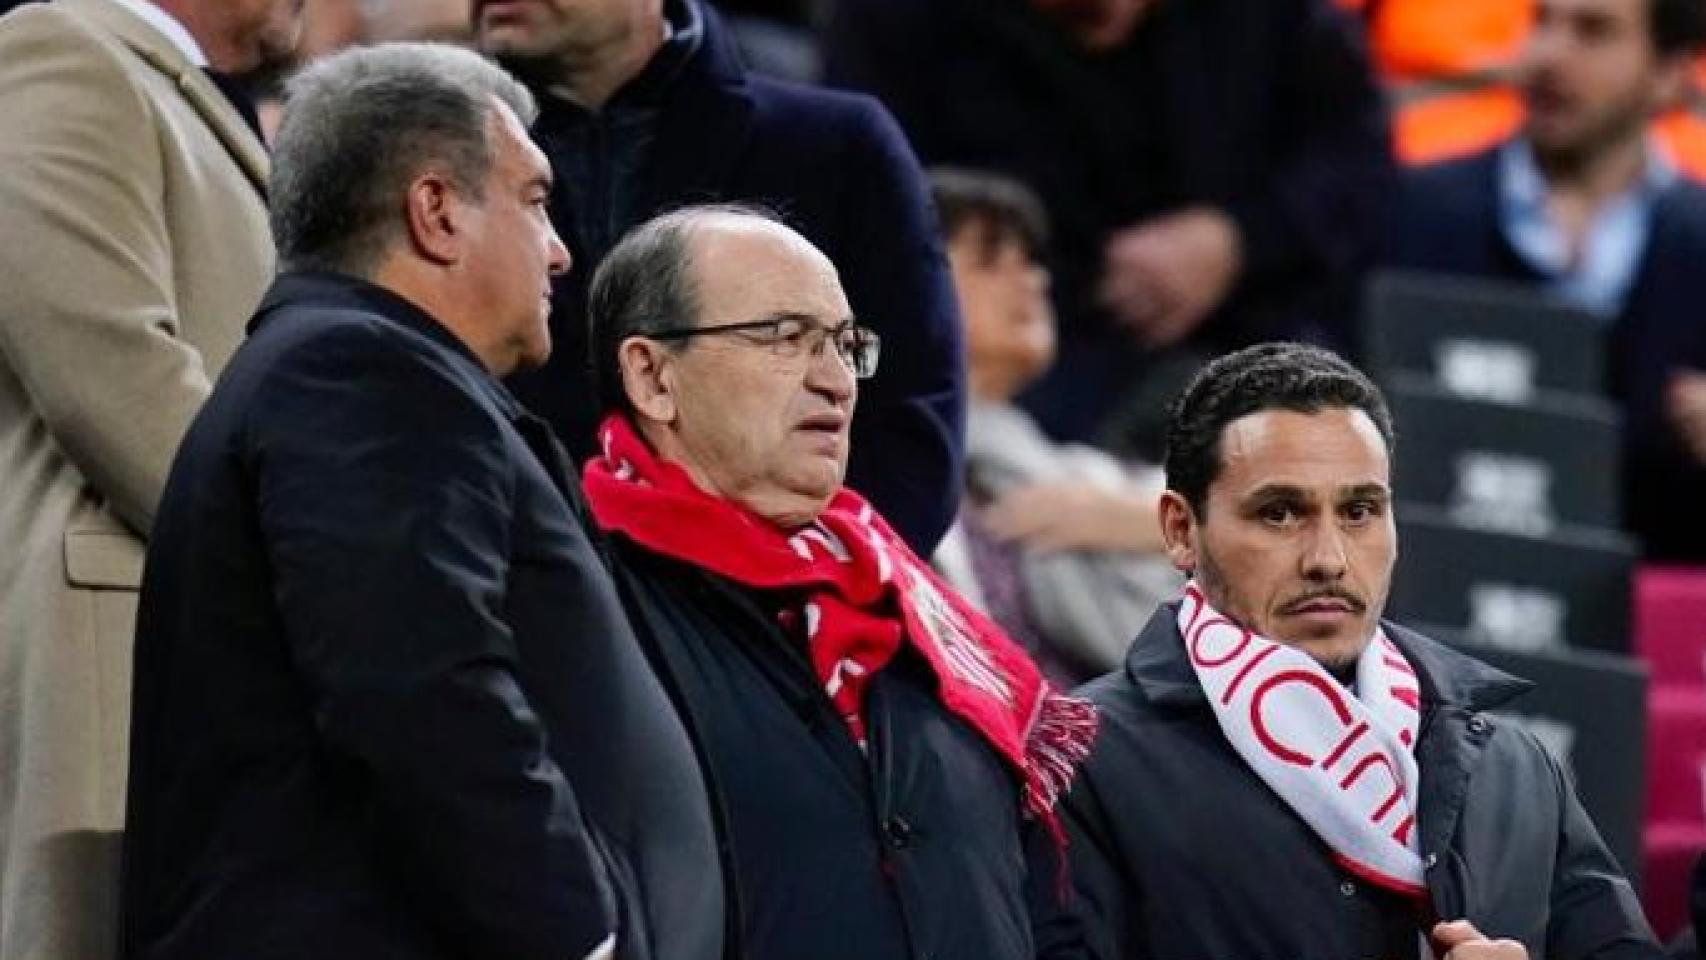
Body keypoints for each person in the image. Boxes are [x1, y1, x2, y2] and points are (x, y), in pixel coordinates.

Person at [121, 45, 720, 960]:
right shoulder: (357, 372)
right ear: (436, 211)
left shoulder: (369, 373)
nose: (560, 250)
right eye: (533, 199)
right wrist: (578, 935)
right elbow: (421, 690)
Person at [580, 204, 1096, 960]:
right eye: (785, 338)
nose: (834, 381)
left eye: (844, 345)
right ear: (654, 376)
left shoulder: (908, 603)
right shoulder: (583, 602)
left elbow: (1029, 886)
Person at [1057, 343, 1661, 959]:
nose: (1328, 558)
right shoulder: (1083, 765)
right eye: (1280, 513)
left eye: (1359, 511)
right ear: (1181, 530)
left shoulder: (1512, 767)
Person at [0, 0, 297, 956]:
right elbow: (105, 367)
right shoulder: (58, 47)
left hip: (201, 639)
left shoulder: (187, 91)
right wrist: (306, 549)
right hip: (113, 639)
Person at [473, 0, 965, 556]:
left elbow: (911, 433)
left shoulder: (837, 148)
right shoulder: (430, 160)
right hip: (509, 597)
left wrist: (790, 601)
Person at [824, 0, 1394, 453]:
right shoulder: (897, 23)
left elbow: (1357, 159)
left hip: (1245, 334)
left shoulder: (1272, 19)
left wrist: (1238, 239)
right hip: (1009, 365)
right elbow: (870, 208)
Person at [1389, 0, 1706, 563]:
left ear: (1668, 73)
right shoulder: (1412, 212)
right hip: (1431, 600)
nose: (1547, 56)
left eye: (1593, 31)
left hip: (1643, 614)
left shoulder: (1697, 245)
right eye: (1541, 22)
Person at [928, 168, 1177, 685]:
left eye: (1032, 262)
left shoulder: (1084, 478)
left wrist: (1146, 521)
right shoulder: (891, 475)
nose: (1034, 279)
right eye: (991, 259)